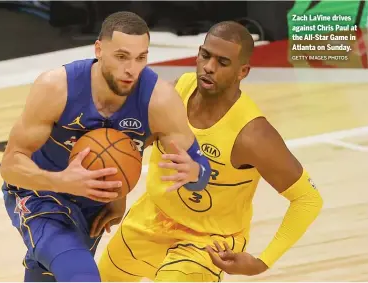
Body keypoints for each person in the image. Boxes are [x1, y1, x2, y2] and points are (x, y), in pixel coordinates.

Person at [97, 21, 324, 282]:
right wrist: (117, 191)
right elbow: (132, 144)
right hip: (151, 217)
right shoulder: (177, 91)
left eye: (223, 62)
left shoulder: (253, 135)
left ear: (243, 71)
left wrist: (263, 261)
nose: (208, 67)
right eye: (205, 55)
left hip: (207, 243)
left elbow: (308, 199)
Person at [0, 11, 211, 282]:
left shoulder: (159, 101)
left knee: (52, 272)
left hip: (93, 204)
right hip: (41, 192)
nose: (131, 69)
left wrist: (193, 173)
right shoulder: (57, 87)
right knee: (82, 273)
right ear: (99, 49)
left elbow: (201, 170)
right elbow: (10, 165)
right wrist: (62, 181)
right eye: (121, 57)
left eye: (141, 58)